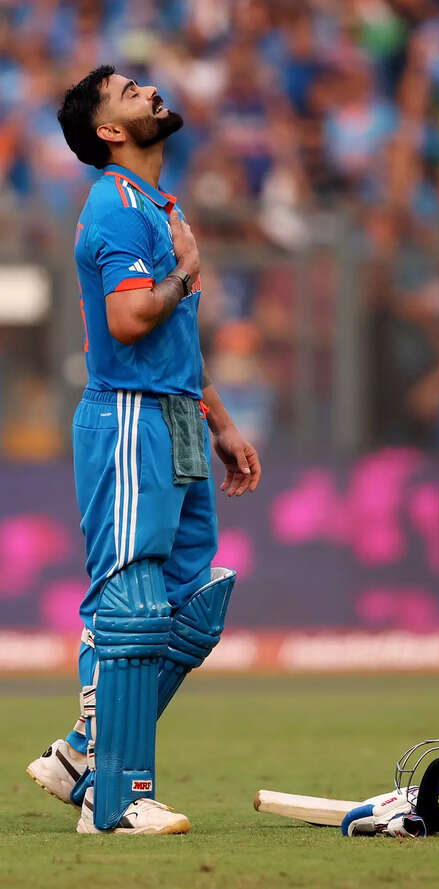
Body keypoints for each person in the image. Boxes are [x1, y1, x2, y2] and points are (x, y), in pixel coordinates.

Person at [25, 65, 261, 836]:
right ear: (109, 131)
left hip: (179, 414)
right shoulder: (117, 206)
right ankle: (116, 799)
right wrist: (186, 271)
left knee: (194, 605)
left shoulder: (161, 204)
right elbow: (129, 321)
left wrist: (219, 419)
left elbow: (175, 334)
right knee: (132, 602)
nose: (151, 93)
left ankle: (81, 754)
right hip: (131, 416)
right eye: (131, 94)